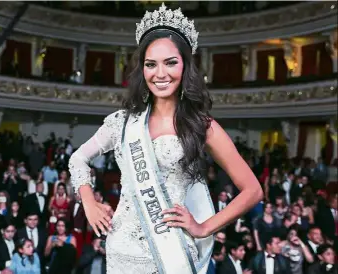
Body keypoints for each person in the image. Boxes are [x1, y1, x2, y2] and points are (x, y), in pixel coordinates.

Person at [68, 3, 262, 274]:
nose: (160, 74)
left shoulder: (202, 126)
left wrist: (204, 227)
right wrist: (88, 202)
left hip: (172, 252)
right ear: (142, 69)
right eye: (151, 64)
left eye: (170, 62)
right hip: (121, 250)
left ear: (185, 66)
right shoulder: (122, 122)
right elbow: (77, 159)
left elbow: (253, 191)